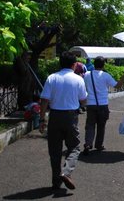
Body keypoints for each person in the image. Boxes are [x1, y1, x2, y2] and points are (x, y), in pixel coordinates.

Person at [39, 51, 88, 191]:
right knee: (74, 146)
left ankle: (56, 181)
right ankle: (66, 172)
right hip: (71, 116)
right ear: (74, 65)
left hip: (54, 116)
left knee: (54, 150)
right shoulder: (78, 79)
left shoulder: (52, 78)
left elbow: (44, 100)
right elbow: (83, 100)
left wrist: (42, 119)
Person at [82, 56, 124, 155]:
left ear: (94, 64)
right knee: (101, 126)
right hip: (102, 104)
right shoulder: (106, 75)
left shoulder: (87, 75)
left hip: (90, 104)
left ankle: (87, 143)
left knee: (90, 125)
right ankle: (99, 145)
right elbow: (118, 86)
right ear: (104, 65)